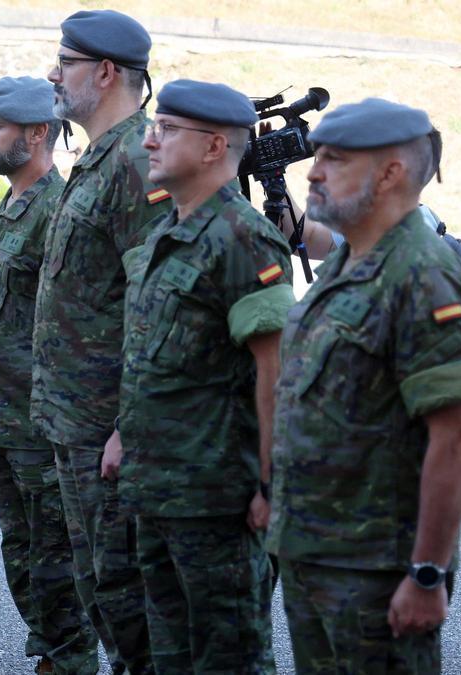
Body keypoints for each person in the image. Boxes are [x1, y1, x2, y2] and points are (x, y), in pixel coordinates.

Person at [269, 98, 461, 673]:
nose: (314, 172)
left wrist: (426, 573)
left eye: (334, 160)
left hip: (375, 570)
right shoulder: (353, 261)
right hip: (318, 553)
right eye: (317, 157)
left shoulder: (420, 274)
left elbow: (457, 439)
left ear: (390, 173)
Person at [110, 80, 294, 673]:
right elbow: (152, 356)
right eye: (153, 126)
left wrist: (271, 486)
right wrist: (122, 432)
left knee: (229, 658)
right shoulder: (166, 233)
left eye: (166, 130)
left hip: (217, 499)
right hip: (158, 490)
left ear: (215, 147)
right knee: (172, 657)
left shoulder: (243, 238)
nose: (150, 140)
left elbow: (276, 371)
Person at [32, 10, 166, 672]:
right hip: (76, 426)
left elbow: (156, 304)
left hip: (109, 432)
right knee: (102, 595)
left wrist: (128, 427)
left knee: (130, 602)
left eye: (66, 63)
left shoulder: (139, 161)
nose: (53, 74)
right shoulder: (99, 159)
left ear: (107, 72)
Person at [0, 76, 100, 674]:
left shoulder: (57, 209)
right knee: (24, 560)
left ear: (37, 133)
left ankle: (69, 663)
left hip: (44, 428)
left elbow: (75, 322)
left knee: (58, 566)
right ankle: (49, 657)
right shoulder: (10, 208)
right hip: (6, 423)